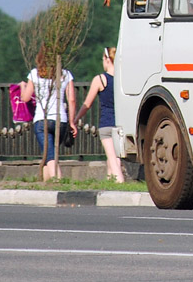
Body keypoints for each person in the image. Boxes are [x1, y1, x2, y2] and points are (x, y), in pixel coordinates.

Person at [20, 48, 77, 181]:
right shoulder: (65, 75)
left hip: (42, 119)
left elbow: (26, 98)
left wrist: (22, 86)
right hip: (60, 120)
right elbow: (72, 100)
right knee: (48, 154)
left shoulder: (35, 74)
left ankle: (58, 180)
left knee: (50, 155)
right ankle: (47, 184)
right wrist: (72, 122)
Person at [74, 47, 124, 182]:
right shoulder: (123, 79)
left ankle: (120, 182)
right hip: (120, 124)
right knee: (115, 158)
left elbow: (87, 104)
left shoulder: (100, 79)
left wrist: (76, 119)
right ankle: (111, 184)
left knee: (113, 160)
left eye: (103, 59)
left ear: (108, 60)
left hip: (106, 124)